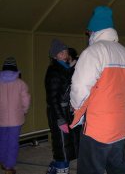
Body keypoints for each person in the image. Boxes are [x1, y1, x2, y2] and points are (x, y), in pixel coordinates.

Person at [69, 6, 125, 174]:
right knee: (117, 166)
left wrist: (76, 108)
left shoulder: (93, 52)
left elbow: (80, 87)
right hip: (120, 124)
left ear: (94, 30)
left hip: (97, 126)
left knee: (91, 168)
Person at [45, 39, 80, 174]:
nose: (64, 53)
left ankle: (54, 166)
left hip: (68, 112)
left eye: (65, 50)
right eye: (60, 52)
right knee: (63, 147)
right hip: (58, 112)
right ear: (54, 56)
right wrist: (60, 119)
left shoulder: (67, 69)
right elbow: (52, 98)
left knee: (70, 147)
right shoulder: (53, 71)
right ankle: (59, 168)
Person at [0, 57, 31, 174]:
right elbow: (26, 99)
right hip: (16, 119)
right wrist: (24, 110)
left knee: (2, 139)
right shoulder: (20, 83)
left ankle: (2, 160)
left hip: (1, 119)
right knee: (13, 142)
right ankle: (9, 166)